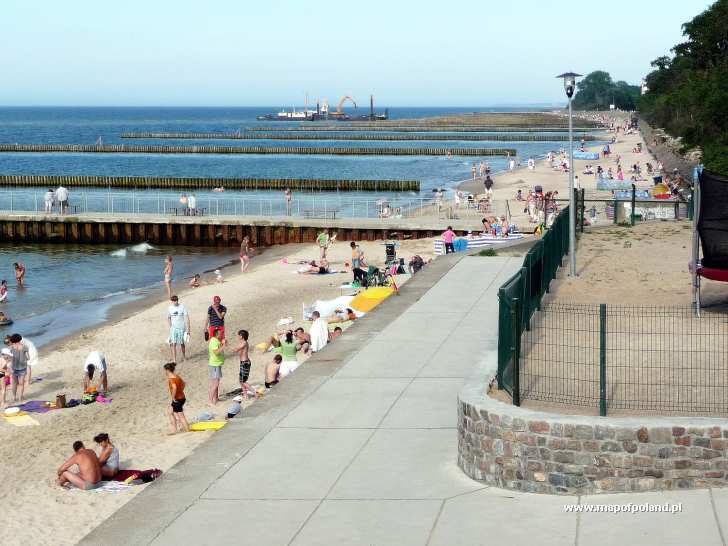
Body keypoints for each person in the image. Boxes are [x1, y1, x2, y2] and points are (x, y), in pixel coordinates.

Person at [164, 362, 189, 433]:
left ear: (168, 370)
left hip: (177, 399)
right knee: (170, 412)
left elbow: (174, 388)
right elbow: (184, 384)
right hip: (182, 398)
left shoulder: (171, 379)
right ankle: (174, 430)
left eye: (165, 370)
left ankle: (188, 431)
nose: (164, 372)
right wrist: (180, 391)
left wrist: (173, 397)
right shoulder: (177, 376)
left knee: (181, 416)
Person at [167, 295, 190, 362]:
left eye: (176, 300)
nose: (175, 302)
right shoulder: (170, 308)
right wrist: (170, 326)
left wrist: (188, 329)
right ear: (172, 301)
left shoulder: (182, 307)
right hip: (173, 328)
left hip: (181, 328)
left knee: (182, 343)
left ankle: (184, 357)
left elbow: (187, 317)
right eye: (174, 301)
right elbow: (168, 317)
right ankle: (174, 359)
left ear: (177, 300)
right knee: (173, 344)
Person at [232, 329, 254, 398]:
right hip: (243, 363)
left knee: (243, 381)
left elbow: (235, 350)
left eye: (239, 335)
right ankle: (245, 394)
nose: (238, 336)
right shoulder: (242, 342)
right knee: (240, 380)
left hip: (245, 363)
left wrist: (227, 344)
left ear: (241, 336)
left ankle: (255, 393)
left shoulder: (244, 343)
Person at [207, 328, 226, 405]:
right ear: (217, 334)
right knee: (215, 384)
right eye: (220, 334)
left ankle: (216, 399)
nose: (222, 335)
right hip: (215, 365)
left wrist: (222, 343)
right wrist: (224, 345)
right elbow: (216, 352)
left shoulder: (216, 340)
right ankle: (210, 401)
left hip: (217, 364)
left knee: (216, 383)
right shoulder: (214, 341)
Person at [8, 333, 28, 403]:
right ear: (20, 339)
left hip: (14, 367)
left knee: (14, 383)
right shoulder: (24, 347)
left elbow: (9, 357)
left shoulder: (11, 347)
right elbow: (28, 357)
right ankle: (20, 398)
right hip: (22, 367)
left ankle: (14, 397)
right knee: (21, 384)